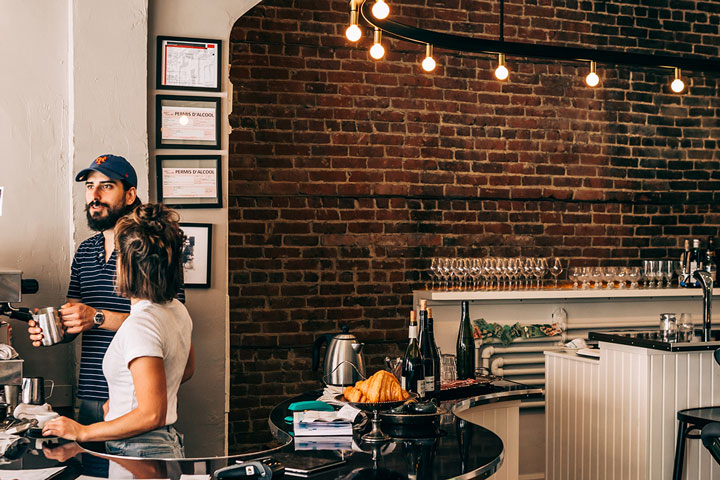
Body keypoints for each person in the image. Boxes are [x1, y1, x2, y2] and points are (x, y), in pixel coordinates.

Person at [27, 154, 189, 425]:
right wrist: (53, 328)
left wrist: (97, 317)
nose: (95, 195)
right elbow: (75, 318)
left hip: (135, 395)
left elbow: (169, 322)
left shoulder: (149, 250)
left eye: (107, 186)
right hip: (90, 393)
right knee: (92, 467)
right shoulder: (85, 251)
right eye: (90, 186)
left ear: (130, 195)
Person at [42, 203, 193, 458]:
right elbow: (184, 369)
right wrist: (123, 402)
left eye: (119, 256)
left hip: (139, 449)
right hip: (159, 443)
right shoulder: (176, 309)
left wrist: (82, 431)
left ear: (128, 265)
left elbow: (152, 413)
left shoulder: (141, 325)